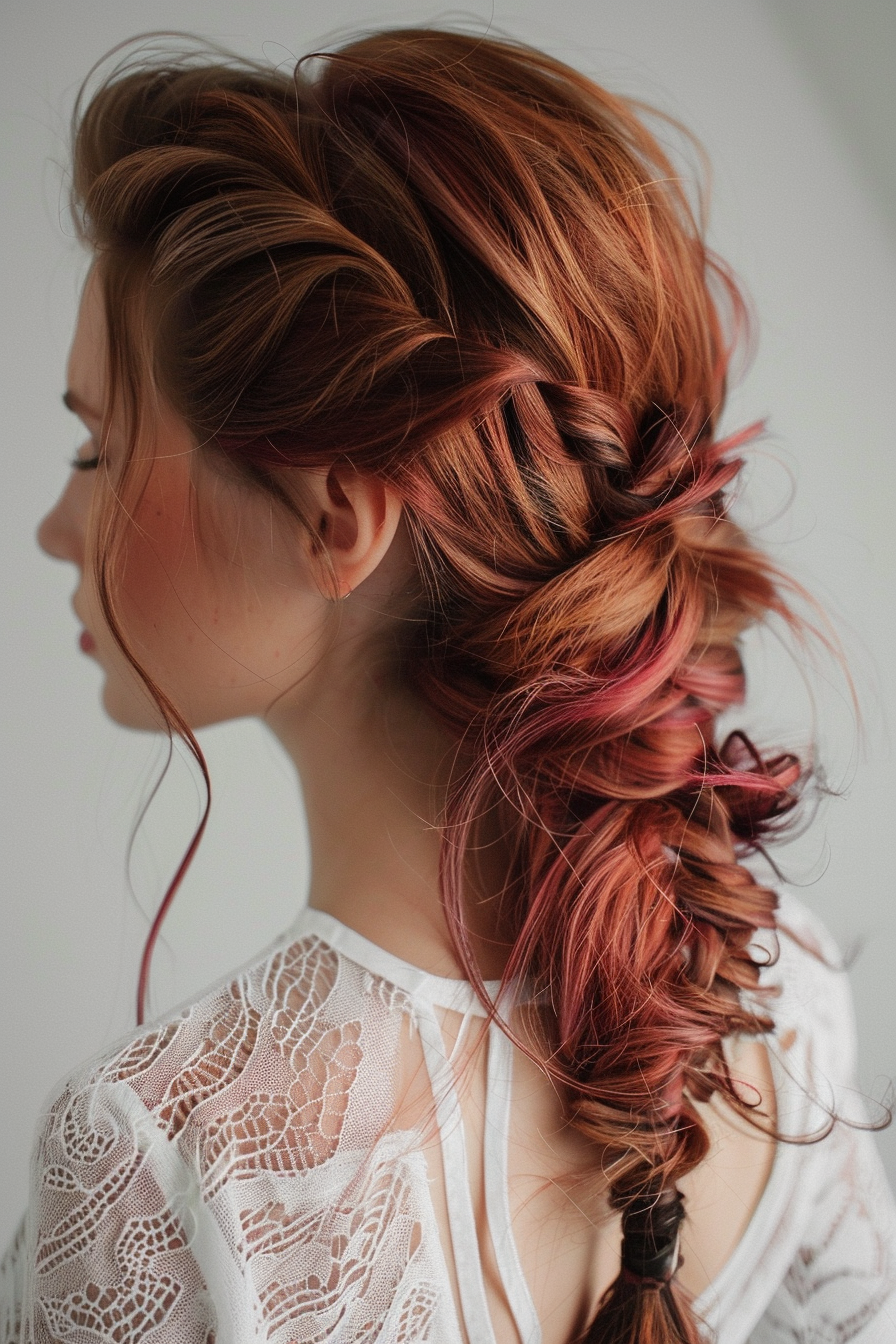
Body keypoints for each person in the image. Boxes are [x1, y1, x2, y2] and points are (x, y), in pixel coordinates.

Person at [1, 25, 894, 1344]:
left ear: (334, 515)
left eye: (96, 449)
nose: (53, 529)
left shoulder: (169, 1162)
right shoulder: (772, 981)